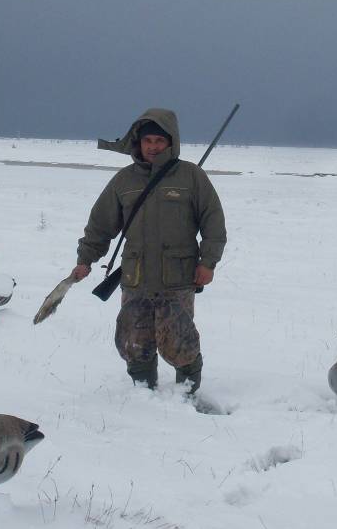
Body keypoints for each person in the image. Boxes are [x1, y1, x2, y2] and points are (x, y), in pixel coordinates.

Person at [69, 107, 227, 393]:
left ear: (171, 142)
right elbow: (100, 226)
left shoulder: (191, 177)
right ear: (138, 143)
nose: (153, 146)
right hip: (136, 278)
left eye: (159, 141)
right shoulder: (124, 180)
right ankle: (143, 395)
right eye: (147, 141)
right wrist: (85, 260)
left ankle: (187, 394)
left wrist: (208, 263)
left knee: (179, 341)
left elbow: (214, 223)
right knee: (134, 340)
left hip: (177, 278)